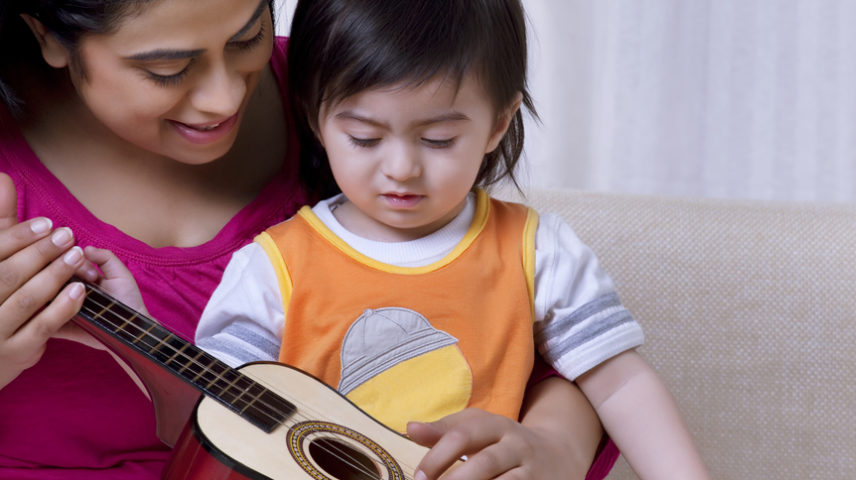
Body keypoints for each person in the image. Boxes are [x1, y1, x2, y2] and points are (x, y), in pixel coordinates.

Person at [0, 0, 607, 478]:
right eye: (168, 69)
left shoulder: (359, 96)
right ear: (48, 33)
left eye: (247, 37)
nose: (225, 96)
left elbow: (532, 335)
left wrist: (557, 447)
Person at [195, 0, 711, 479]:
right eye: (365, 138)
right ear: (315, 117)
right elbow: (210, 417)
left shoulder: (537, 250)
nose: (401, 168)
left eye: (438, 139)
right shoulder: (272, 267)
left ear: (497, 124)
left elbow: (619, 383)